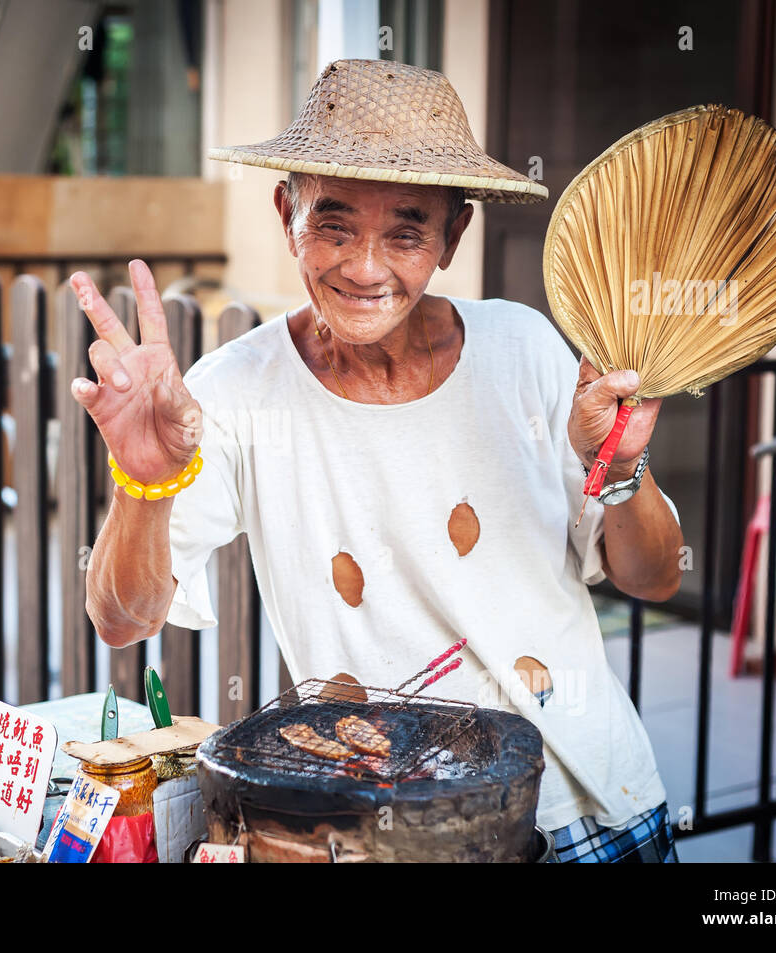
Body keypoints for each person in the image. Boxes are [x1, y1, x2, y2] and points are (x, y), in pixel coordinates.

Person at [71, 59, 683, 863]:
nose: (364, 266)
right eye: (333, 224)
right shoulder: (235, 392)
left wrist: (624, 469)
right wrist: (144, 486)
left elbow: (654, 577)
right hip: (395, 837)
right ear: (285, 212)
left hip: (595, 804)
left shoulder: (527, 348)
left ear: (453, 235)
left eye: (405, 230)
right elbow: (121, 618)